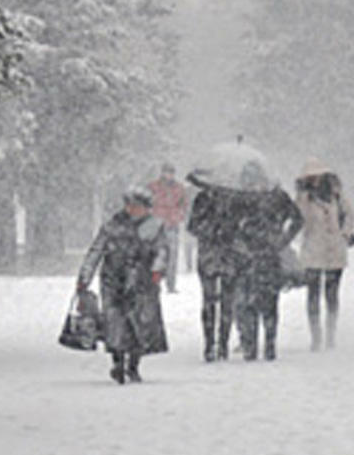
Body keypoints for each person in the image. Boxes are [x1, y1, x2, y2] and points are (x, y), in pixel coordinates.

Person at [77, 187, 169, 383]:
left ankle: (134, 365)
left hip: (142, 282)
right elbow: (96, 251)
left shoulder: (154, 227)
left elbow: (162, 251)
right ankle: (118, 363)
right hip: (113, 281)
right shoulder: (112, 226)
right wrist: (84, 278)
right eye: (130, 205)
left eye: (138, 206)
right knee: (115, 323)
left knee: (139, 325)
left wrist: (156, 270)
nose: (133, 209)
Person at [231, 162, 303, 361]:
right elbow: (297, 220)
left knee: (257, 302)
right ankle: (261, 346)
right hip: (259, 256)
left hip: (259, 256)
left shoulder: (246, 198)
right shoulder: (271, 196)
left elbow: (297, 219)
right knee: (262, 302)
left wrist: (281, 241)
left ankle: (257, 346)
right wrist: (282, 240)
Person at [294, 159, 354, 351]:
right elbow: (299, 219)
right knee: (313, 294)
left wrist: (345, 234)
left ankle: (331, 334)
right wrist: (303, 198)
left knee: (332, 295)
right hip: (313, 250)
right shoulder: (303, 199)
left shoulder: (338, 196)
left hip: (335, 250)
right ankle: (316, 336)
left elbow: (349, 216)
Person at [187, 178, 243, 362]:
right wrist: (213, 230)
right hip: (213, 256)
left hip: (222, 255)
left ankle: (221, 343)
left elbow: (241, 227)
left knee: (225, 301)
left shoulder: (233, 201)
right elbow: (193, 226)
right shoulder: (205, 200)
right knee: (211, 301)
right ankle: (211, 343)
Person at [148, 162, 189, 293]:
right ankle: (155, 283)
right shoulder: (153, 187)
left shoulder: (179, 188)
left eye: (171, 172)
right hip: (156, 226)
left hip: (172, 225)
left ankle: (171, 285)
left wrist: (178, 216)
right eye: (166, 172)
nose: (168, 175)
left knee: (172, 257)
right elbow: (146, 203)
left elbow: (184, 205)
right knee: (157, 256)